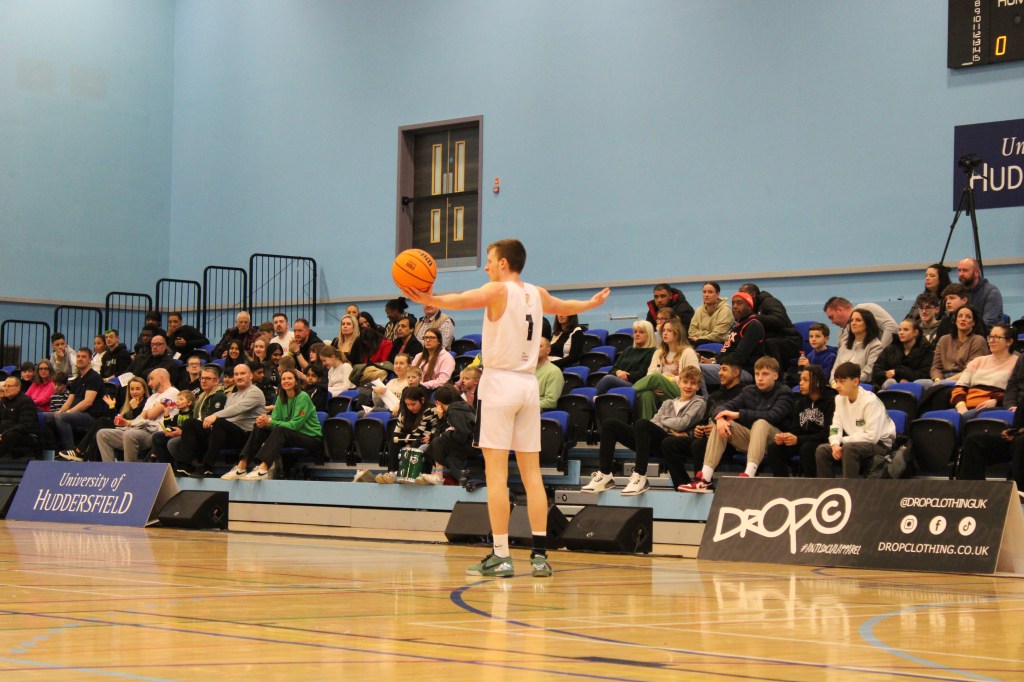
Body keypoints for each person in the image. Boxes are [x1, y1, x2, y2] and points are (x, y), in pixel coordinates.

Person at [401, 237, 609, 578]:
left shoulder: (498, 290)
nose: (485, 266)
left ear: (503, 263)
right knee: (532, 476)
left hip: (499, 384)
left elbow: (463, 300)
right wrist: (590, 303)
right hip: (528, 385)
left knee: (496, 477)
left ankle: (501, 555)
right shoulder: (536, 293)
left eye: (488, 259)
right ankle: (540, 557)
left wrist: (430, 298)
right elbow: (563, 305)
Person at [583, 366, 706, 496]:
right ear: (679, 382)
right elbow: (654, 422)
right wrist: (670, 427)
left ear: (698, 387)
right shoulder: (668, 403)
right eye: (685, 382)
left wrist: (663, 421)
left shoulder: (699, 402)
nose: (688, 386)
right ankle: (605, 474)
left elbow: (682, 424)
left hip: (671, 444)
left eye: (693, 384)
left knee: (642, 423)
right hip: (655, 440)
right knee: (610, 425)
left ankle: (640, 475)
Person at [680, 356, 793, 491]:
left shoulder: (784, 392)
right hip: (752, 440)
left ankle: (749, 474)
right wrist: (721, 419)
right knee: (722, 423)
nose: (760, 378)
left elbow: (773, 416)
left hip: (776, 440)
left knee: (761, 422)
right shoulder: (749, 391)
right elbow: (719, 409)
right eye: (757, 374)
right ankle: (705, 478)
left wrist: (739, 414)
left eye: (765, 374)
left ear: (775, 376)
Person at [220, 369, 323, 481]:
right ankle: (241, 467)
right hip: (291, 435)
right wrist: (265, 422)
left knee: (280, 430)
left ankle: (263, 468)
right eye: (283, 379)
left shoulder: (303, 397)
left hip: (311, 438)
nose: (286, 381)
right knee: (260, 427)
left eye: (290, 378)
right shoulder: (280, 398)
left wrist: (270, 422)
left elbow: (295, 425)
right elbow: (275, 420)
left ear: (296, 382)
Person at [662, 359, 746, 489]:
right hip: (707, 438)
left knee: (698, 444)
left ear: (736, 373)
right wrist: (698, 429)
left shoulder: (744, 393)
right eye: (720, 370)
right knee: (669, 443)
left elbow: (744, 420)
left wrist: (717, 427)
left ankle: (703, 484)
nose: (719, 373)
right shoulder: (714, 396)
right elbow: (704, 420)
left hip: (729, 440)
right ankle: (682, 485)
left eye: (724, 369)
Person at [171, 363, 266, 477]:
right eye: (236, 374)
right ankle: (184, 466)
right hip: (227, 434)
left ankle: (207, 467)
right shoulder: (232, 395)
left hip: (246, 436)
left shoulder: (255, 391)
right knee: (190, 423)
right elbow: (227, 415)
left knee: (219, 422)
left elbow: (238, 408)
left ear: (250, 376)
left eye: (242, 373)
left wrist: (215, 416)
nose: (239, 377)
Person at [815, 361, 896, 478]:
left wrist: (843, 441)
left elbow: (872, 437)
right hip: (854, 444)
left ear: (855, 381)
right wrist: (834, 444)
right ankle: (827, 491)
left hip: (881, 445)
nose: (837, 385)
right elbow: (835, 427)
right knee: (822, 450)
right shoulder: (839, 399)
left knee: (849, 448)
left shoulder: (870, 402)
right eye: (836, 381)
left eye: (842, 381)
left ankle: (850, 491)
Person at [956, 353, 1024, 482]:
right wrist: (1013, 431)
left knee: (1021, 442)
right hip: (1018, 435)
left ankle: (1019, 495)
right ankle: (971, 493)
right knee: (974, 441)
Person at [57, 376, 150, 462]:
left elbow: (141, 422)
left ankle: (79, 451)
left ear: (144, 390)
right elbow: (114, 420)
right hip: (121, 430)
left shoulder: (147, 403)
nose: (134, 392)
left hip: (135, 433)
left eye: (138, 389)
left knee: (102, 422)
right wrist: (112, 406)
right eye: (132, 389)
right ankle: (86, 457)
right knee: (100, 428)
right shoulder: (127, 404)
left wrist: (135, 408)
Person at [765, 365, 836, 478]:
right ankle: (782, 485)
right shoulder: (801, 403)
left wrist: (798, 439)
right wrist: (785, 437)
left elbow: (826, 434)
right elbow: (796, 428)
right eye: (800, 379)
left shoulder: (830, 402)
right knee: (774, 448)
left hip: (821, 442)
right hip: (803, 441)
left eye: (805, 380)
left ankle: (811, 486)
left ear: (817, 382)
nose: (800, 383)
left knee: (807, 448)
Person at [95, 369, 178, 463]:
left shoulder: (173, 393)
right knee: (103, 434)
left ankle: (129, 471)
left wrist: (148, 412)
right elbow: (141, 418)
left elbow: (151, 415)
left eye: (151, 379)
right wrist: (126, 422)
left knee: (129, 434)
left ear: (161, 378)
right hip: (141, 429)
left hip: (155, 433)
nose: (149, 383)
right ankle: (110, 470)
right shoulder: (153, 397)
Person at [152, 365, 226, 465]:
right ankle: (168, 469)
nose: (203, 381)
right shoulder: (200, 396)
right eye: (202, 378)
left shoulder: (219, 396)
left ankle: (187, 465)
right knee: (157, 437)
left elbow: (207, 421)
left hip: (208, 432)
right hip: (193, 429)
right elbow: (193, 417)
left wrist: (182, 431)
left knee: (173, 443)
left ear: (216, 381)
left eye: (207, 378)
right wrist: (177, 429)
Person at [632, 317, 699, 421]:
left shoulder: (688, 352)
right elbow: (649, 375)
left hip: (681, 390)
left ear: (677, 333)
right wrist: (655, 387)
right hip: (660, 391)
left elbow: (694, 377)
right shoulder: (658, 353)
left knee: (657, 377)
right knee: (646, 394)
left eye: (669, 330)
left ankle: (629, 393)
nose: (665, 333)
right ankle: (647, 429)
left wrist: (666, 379)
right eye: (663, 330)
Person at [372, 385, 440, 484]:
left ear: (422, 400)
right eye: (407, 404)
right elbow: (396, 433)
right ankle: (392, 473)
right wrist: (405, 441)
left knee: (416, 442)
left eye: (413, 404)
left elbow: (419, 434)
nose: (410, 407)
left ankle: (410, 474)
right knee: (393, 442)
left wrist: (406, 441)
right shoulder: (404, 413)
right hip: (411, 438)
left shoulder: (430, 410)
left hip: (428, 439)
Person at [949, 323, 1018, 420]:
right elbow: (959, 387)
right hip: (965, 406)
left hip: (993, 407)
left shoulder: (1017, 363)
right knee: (937, 418)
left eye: (997, 337)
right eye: (990, 337)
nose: (991, 341)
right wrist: (961, 406)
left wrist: (996, 401)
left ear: (1009, 341)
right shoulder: (978, 361)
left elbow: (1015, 392)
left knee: (965, 418)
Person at [42, 349, 105, 451]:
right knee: (43, 417)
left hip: (90, 416)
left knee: (62, 418)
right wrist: (61, 411)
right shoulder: (77, 379)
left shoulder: (94, 377)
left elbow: (88, 402)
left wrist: (68, 412)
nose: (80, 359)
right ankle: (51, 450)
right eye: (78, 356)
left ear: (90, 360)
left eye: (83, 357)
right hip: (75, 414)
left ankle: (71, 451)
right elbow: (69, 401)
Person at [700, 291, 766, 388]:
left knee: (694, 370)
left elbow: (739, 356)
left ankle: (704, 401)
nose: (735, 306)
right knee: (689, 366)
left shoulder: (753, 325)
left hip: (742, 370)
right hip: (726, 366)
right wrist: (712, 360)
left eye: (739, 303)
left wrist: (715, 362)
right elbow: (727, 351)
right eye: (733, 303)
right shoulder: (736, 326)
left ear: (749, 307)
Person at [416, 385, 478, 485]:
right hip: (468, 444)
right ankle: (464, 481)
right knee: (449, 456)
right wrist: (441, 420)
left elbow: (463, 433)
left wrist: (446, 435)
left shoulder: (455, 411)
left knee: (438, 441)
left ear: (438, 402)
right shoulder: (457, 409)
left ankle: (438, 475)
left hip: (470, 445)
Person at [739, 283, 803, 366]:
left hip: (789, 340)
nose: (740, 296)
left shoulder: (770, 302)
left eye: (742, 293)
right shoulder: (748, 308)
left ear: (753, 294)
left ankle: (776, 377)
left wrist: (756, 317)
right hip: (770, 339)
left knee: (769, 344)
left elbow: (780, 320)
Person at [923, 305, 989, 386]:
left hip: (965, 379)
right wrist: (937, 380)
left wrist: (944, 382)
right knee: (920, 383)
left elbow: (970, 370)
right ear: (956, 321)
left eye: (968, 317)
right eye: (960, 316)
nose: (963, 319)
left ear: (973, 323)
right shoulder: (944, 339)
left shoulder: (978, 340)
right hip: (942, 378)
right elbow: (936, 367)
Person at [593, 320, 658, 395]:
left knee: (608, 379)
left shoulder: (652, 352)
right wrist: (618, 372)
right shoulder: (628, 350)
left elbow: (642, 374)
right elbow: (613, 369)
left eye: (641, 332)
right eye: (635, 332)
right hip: (621, 381)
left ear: (649, 335)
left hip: (636, 385)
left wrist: (624, 375)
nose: (637, 334)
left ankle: (593, 402)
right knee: (608, 378)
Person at [871, 318, 934, 389]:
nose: (901, 332)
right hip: (891, 385)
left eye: (905, 330)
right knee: (890, 382)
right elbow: (877, 371)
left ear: (915, 332)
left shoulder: (926, 350)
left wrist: (898, 371)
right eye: (899, 330)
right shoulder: (890, 349)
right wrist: (886, 375)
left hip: (915, 387)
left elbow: (925, 374)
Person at [831, 308, 884, 383]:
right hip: (838, 386)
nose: (853, 323)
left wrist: (846, 382)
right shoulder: (845, 344)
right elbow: (834, 369)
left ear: (868, 323)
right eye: (851, 320)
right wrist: (833, 383)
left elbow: (868, 373)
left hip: (860, 386)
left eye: (858, 320)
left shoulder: (876, 345)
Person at [823, 296, 898, 350]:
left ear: (839, 310)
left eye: (831, 317)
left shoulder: (866, 308)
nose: (832, 322)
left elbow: (892, 327)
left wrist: (879, 353)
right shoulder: (843, 333)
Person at [0, 376, 41, 459]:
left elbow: (24, 425)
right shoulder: (3, 402)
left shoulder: (26, 401)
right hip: (6, 432)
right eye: (5, 386)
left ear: (18, 387)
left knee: (11, 435)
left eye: (9, 386)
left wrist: (3, 434)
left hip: (26, 435)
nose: (6, 389)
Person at [958, 257, 1004, 328]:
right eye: (959, 270)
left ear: (976, 272)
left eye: (965, 270)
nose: (961, 274)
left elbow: (988, 324)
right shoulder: (958, 292)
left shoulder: (991, 293)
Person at [534, 338, 564, 410]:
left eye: (540, 346)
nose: (535, 349)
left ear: (548, 350)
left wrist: (526, 407)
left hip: (537, 413)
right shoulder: (526, 370)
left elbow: (551, 402)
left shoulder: (554, 371)